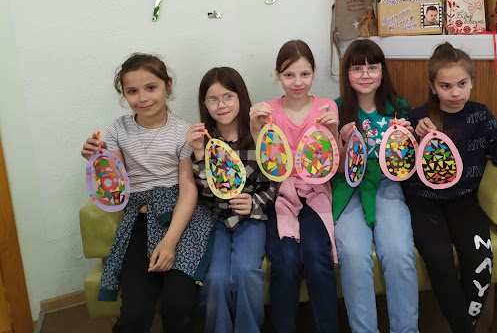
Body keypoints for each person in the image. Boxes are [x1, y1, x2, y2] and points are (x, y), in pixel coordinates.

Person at [401, 42, 497, 332]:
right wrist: (413, 135)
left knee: (480, 258)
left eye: (462, 84)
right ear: (432, 86)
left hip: (464, 201)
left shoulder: (481, 115)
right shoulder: (418, 116)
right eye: (445, 86)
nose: (455, 93)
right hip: (424, 202)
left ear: (472, 81)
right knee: (438, 258)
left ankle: (464, 325)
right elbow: (402, 167)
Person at [80, 53, 213, 333]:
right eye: (132, 91)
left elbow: (188, 188)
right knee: (135, 312)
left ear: (168, 85)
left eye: (151, 87)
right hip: (139, 222)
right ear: (124, 94)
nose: (143, 98)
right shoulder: (118, 130)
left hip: (180, 221)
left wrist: (169, 242)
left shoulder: (183, 131)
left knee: (178, 305)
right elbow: (116, 187)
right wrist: (98, 159)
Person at [249, 40, 340, 333]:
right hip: (280, 197)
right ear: (277, 74)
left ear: (314, 71)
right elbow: (265, 161)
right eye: (289, 75)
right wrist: (255, 127)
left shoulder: (326, 107)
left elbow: (332, 161)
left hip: (316, 194)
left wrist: (334, 130)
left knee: (316, 255)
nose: (297, 82)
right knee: (285, 261)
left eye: (304, 74)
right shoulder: (269, 111)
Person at [332, 39, 419, 333]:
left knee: (399, 252)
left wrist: (406, 139)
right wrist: (342, 142)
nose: (366, 74)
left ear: (383, 70)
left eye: (372, 67)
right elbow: (329, 165)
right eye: (357, 68)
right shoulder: (335, 110)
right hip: (348, 187)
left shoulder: (400, 108)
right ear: (347, 73)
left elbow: (407, 164)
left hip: (386, 185)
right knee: (354, 255)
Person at [187, 67, 278, 333]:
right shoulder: (204, 141)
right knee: (215, 279)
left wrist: (254, 203)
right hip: (216, 219)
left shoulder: (258, 134)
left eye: (228, 96)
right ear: (204, 104)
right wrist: (199, 154)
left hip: (251, 220)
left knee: (246, 272)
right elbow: (205, 193)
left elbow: (272, 183)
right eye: (213, 99)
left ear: (241, 97)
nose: (221, 105)